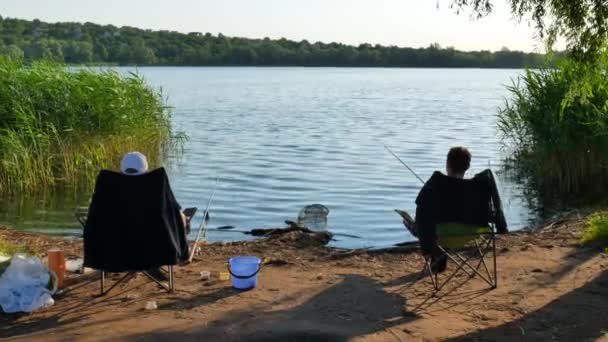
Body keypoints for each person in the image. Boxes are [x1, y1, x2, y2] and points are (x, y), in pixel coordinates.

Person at [402, 147, 508, 272]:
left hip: (441, 234)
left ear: (447, 164)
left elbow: (422, 212)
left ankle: (434, 254)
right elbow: (491, 212)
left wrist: (425, 247)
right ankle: (435, 251)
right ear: (467, 166)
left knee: (420, 221)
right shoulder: (481, 185)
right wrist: (501, 225)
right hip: (475, 232)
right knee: (437, 219)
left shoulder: (436, 183)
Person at [120, 152, 192, 232]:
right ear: (147, 173)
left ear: (121, 173)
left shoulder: (111, 194)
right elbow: (177, 218)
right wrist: (185, 220)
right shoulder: (156, 192)